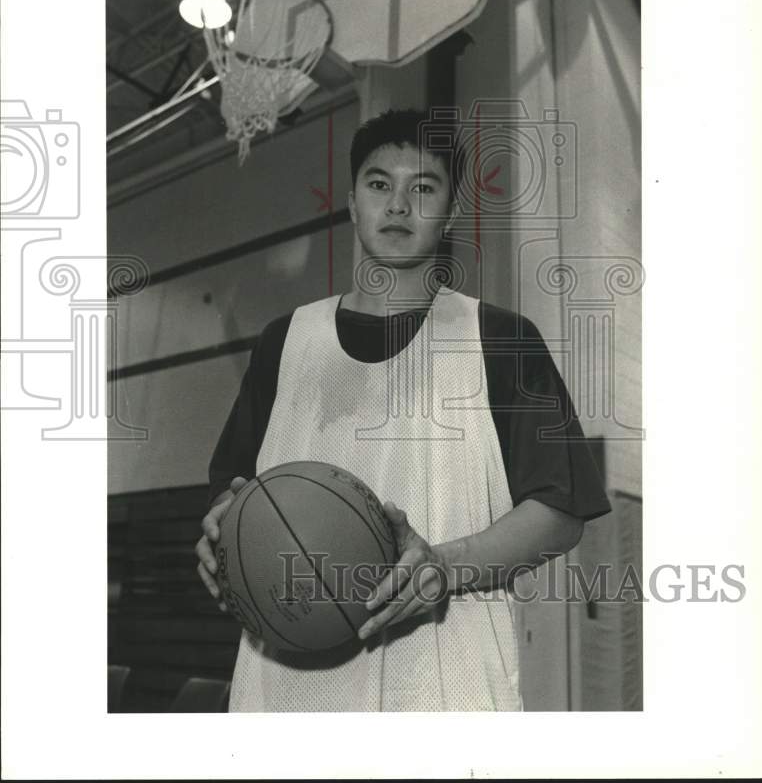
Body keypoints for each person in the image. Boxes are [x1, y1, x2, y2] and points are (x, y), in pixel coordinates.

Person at [196, 108, 611, 711]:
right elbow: (229, 493)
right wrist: (220, 533)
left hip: (444, 689)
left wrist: (445, 563)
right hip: (283, 691)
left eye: (423, 187)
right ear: (351, 201)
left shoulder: (500, 338)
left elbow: (560, 514)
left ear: (451, 212)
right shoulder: (284, 341)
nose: (398, 205)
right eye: (378, 184)